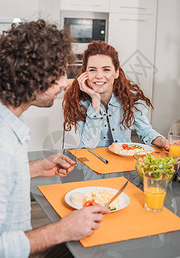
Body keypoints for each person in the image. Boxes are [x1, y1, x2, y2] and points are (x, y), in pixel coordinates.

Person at [0, 20, 109, 258]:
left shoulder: (8, 124)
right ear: (30, 75)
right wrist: (62, 230)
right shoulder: (3, 144)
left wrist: (34, 168)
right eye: (56, 73)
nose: (63, 82)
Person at [63, 41, 170, 150]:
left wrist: (164, 142)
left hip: (124, 162)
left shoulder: (129, 98)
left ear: (116, 72)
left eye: (106, 69)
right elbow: (87, 146)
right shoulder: (79, 102)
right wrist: (95, 100)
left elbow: (146, 131)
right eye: (92, 70)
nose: (99, 76)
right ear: (85, 73)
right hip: (94, 163)